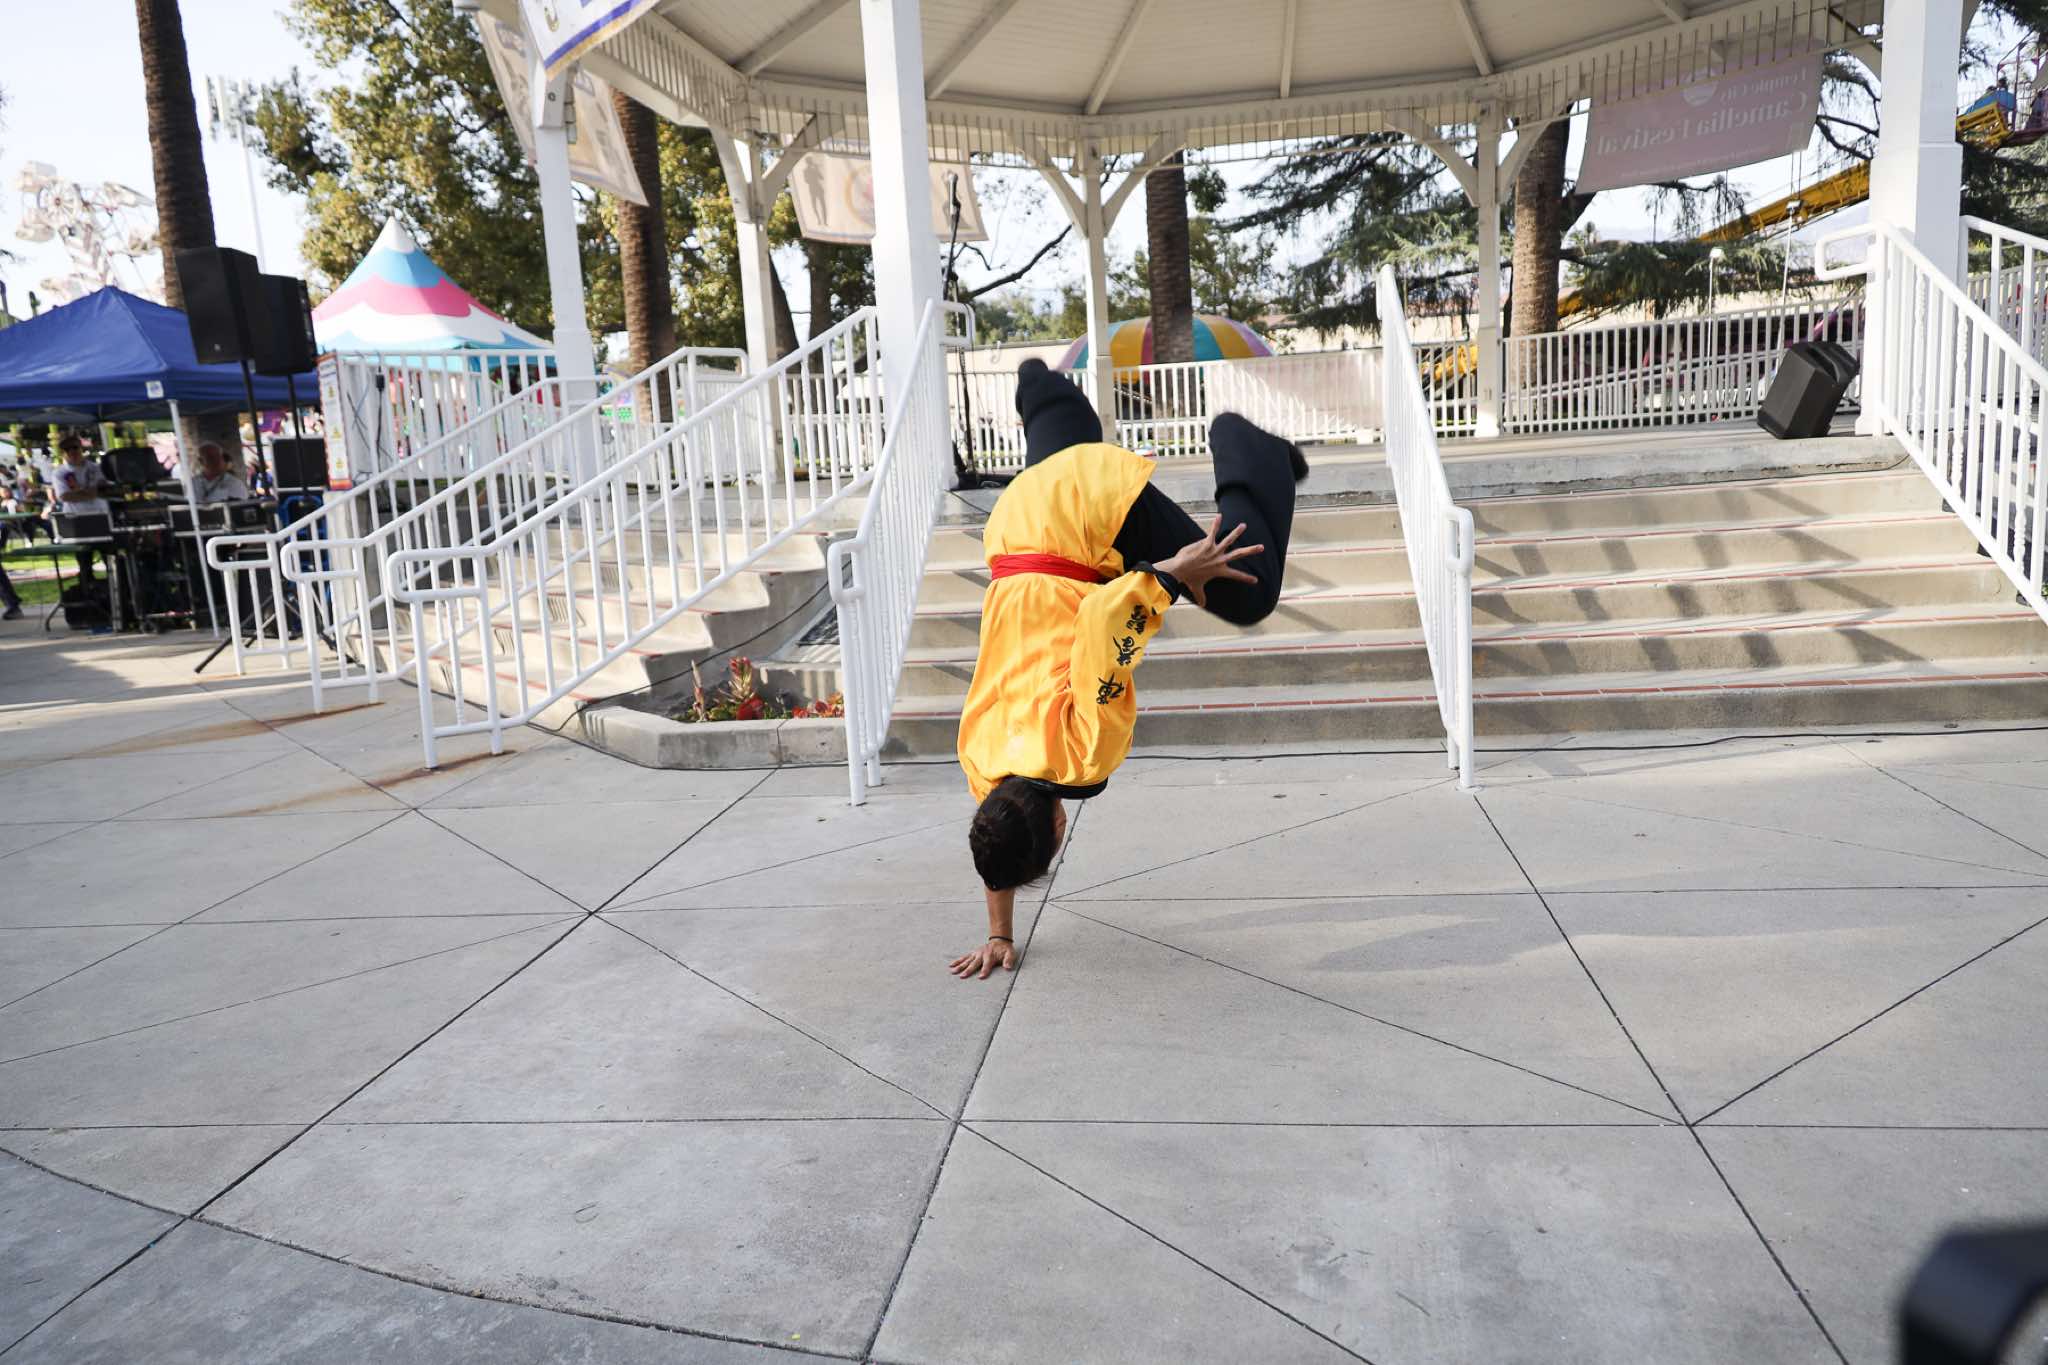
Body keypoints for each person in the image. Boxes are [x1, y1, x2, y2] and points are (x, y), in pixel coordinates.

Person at [948, 360, 1306, 980]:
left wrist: (1171, 576)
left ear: (1058, 826)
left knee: (1245, 587)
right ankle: (1039, 386)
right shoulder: (982, 761)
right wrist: (998, 934)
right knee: (1063, 460)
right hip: (1018, 521)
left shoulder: (1081, 754)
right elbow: (996, 836)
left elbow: (1102, 627)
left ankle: (1248, 450)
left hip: (1081, 523)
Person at [50, 434, 110, 581]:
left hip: (100, 517)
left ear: (81, 448)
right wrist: (90, 493)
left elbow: (103, 490)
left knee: (109, 559)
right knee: (84, 563)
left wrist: (80, 492)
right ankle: (88, 589)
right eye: (67, 449)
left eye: (75, 447)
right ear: (63, 453)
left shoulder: (96, 468)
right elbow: (64, 496)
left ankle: (115, 589)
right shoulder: (59, 473)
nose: (72, 451)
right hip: (77, 520)